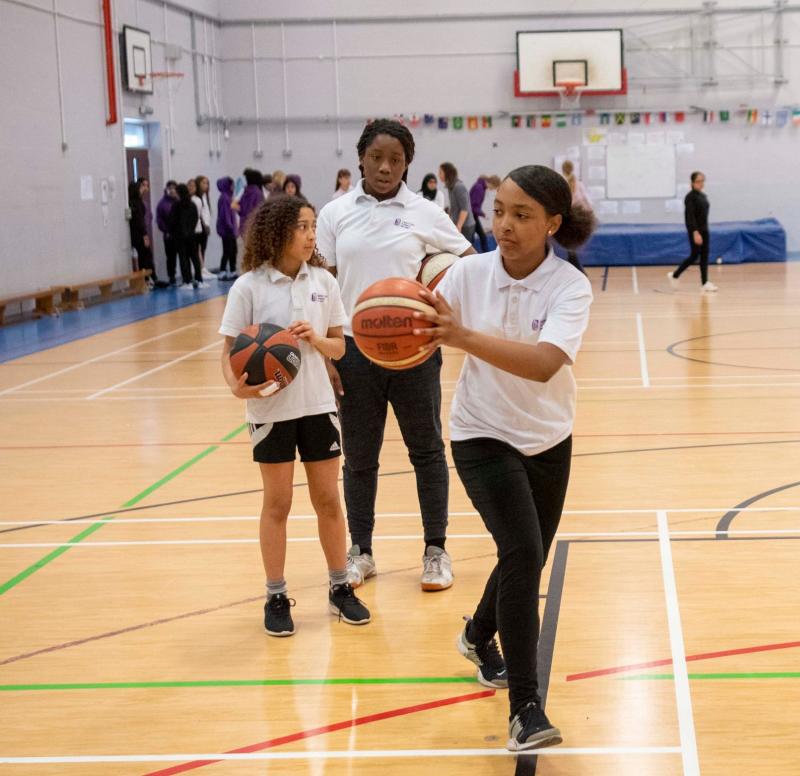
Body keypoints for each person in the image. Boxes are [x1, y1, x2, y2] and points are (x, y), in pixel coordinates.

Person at [414, 164, 594, 751]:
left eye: (522, 215)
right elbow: (413, 328)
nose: (506, 225)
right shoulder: (466, 275)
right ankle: (525, 709)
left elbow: (544, 363)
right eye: (500, 212)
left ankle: (476, 632)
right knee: (521, 551)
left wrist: (460, 337)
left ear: (552, 224)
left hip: (548, 438)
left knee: (528, 557)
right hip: (480, 434)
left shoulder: (569, 287)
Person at [315, 119, 477, 592]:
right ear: (360, 157)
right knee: (359, 457)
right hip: (354, 352)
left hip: (416, 350)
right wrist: (326, 353)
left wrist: (441, 298)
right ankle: (361, 551)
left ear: (408, 163)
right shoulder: (335, 213)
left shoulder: (425, 212)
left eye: (397, 160)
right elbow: (322, 286)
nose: (386, 167)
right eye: (377, 158)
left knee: (426, 452)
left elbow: (468, 261)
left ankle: (436, 550)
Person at [218, 195, 370, 637]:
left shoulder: (324, 280)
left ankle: (340, 587)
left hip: (319, 406)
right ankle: (276, 595)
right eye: (302, 227)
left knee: (328, 500)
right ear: (278, 231)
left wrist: (316, 341)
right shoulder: (248, 286)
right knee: (278, 503)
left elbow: (341, 347)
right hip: (270, 409)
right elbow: (227, 352)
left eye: (313, 227)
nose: (310, 235)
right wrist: (236, 386)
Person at [667, 171, 716, 293]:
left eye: (702, 181)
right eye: (698, 181)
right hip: (696, 231)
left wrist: (703, 230)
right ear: (692, 183)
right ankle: (674, 275)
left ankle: (705, 283)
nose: (701, 183)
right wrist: (695, 232)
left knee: (704, 256)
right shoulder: (690, 197)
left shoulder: (703, 196)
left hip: (704, 230)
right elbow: (690, 217)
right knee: (694, 256)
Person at [560, 161, 593, 268]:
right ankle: (575, 266)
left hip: (568, 216)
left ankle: (575, 266)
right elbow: (586, 199)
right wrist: (590, 210)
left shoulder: (563, 183)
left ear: (563, 169)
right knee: (571, 243)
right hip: (576, 215)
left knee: (569, 244)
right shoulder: (578, 183)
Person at [171, 183, 202, 288]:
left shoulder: (176, 205)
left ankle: (187, 280)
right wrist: (191, 230)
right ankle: (199, 279)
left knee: (183, 258)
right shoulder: (192, 204)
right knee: (194, 257)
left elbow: (173, 221)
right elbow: (195, 218)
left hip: (180, 237)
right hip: (192, 235)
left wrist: (174, 232)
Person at [127, 178, 155, 286]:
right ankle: (147, 278)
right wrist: (145, 235)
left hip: (137, 233)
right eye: (141, 187)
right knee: (145, 256)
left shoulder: (135, 202)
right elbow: (139, 221)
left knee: (143, 256)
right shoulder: (136, 203)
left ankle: (147, 278)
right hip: (139, 234)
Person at [440, 162, 475, 239]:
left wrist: (458, 227)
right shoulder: (450, 187)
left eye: (440, 172)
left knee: (464, 250)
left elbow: (464, 209)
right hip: (458, 225)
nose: (439, 175)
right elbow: (454, 206)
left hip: (466, 226)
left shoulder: (459, 187)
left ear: (447, 173)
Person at [155, 180, 179, 286]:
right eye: (171, 188)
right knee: (171, 257)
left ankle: (186, 276)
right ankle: (172, 276)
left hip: (181, 234)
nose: (172, 190)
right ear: (167, 189)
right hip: (169, 235)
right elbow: (159, 220)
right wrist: (167, 230)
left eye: (174, 188)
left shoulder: (179, 201)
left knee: (183, 256)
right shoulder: (162, 204)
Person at [216, 175, 239, 280]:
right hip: (227, 230)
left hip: (231, 229)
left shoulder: (229, 197)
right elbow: (225, 215)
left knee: (233, 250)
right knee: (227, 250)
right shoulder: (224, 198)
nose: (233, 187)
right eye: (231, 185)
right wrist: (230, 226)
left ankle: (232, 270)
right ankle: (222, 270)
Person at [469, 174, 501, 251]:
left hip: (473, 215)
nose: (492, 189)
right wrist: (483, 214)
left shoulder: (480, 186)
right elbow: (474, 206)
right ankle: (484, 254)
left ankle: (483, 254)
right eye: (494, 187)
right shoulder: (479, 188)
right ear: (492, 183)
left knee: (480, 236)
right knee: (480, 237)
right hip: (472, 215)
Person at [193, 175, 214, 279]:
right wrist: (204, 224)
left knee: (203, 248)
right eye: (203, 183)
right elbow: (199, 213)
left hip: (205, 225)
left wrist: (208, 224)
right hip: (199, 227)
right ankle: (201, 269)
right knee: (199, 248)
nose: (206, 185)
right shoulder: (197, 198)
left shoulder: (205, 197)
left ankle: (203, 268)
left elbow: (207, 212)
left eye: (207, 183)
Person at [239, 169, 266, 235]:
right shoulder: (258, 193)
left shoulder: (244, 192)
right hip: (254, 226)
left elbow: (240, 209)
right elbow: (260, 211)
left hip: (243, 224)